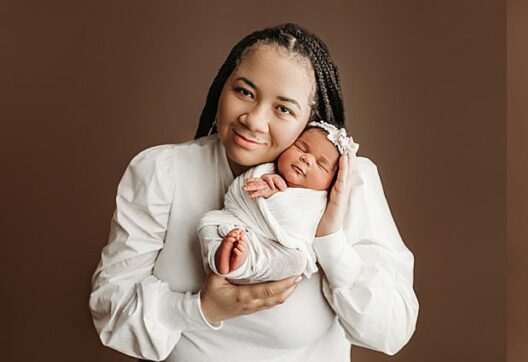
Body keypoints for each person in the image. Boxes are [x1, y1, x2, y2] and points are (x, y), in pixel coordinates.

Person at [89, 23, 418, 361]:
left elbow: (390, 330)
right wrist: (204, 308)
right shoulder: (163, 172)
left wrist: (330, 238)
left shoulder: (348, 182)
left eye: (284, 108)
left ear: (312, 120)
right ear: (222, 87)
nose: (254, 120)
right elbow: (110, 311)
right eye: (244, 92)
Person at [199, 122, 356, 284]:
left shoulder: (318, 200)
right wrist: (267, 183)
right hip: (236, 224)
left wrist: (278, 196)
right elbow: (243, 190)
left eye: (321, 165)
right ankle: (219, 256)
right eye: (301, 147)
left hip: (275, 249)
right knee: (209, 221)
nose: (307, 159)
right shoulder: (267, 171)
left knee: (297, 261)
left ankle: (242, 262)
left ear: (332, 182)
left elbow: (300, 229)